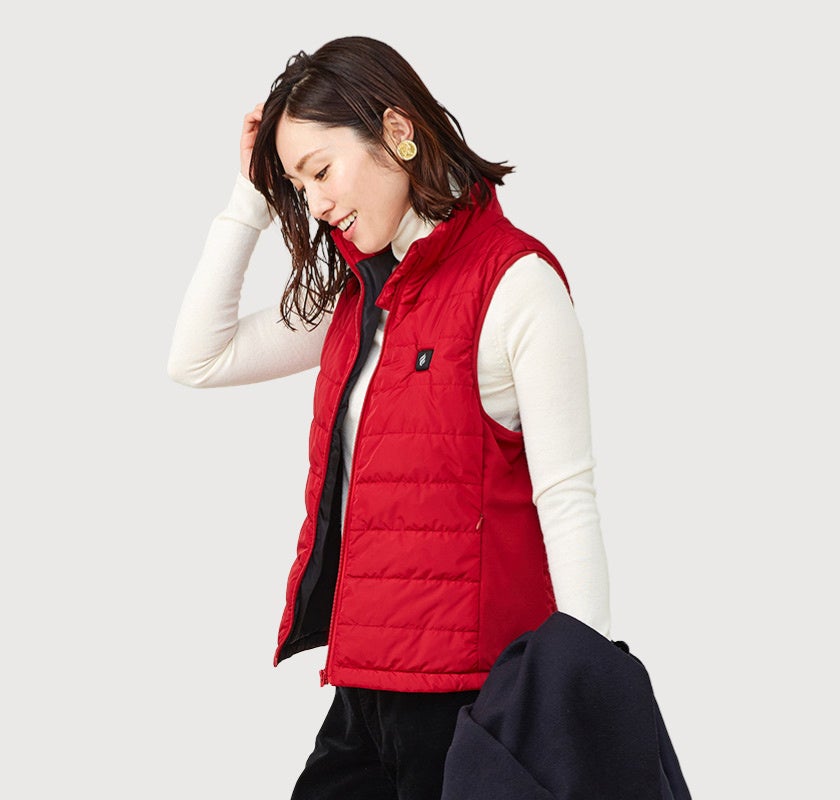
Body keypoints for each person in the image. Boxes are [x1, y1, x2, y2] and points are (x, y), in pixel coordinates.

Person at [168, 35, 612, 800]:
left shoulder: (516, 285)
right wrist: (249, 198)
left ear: (396, 132)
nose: (315, 204)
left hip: (471, 698)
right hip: (362, 691)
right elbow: (198, 358)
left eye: (321, 172)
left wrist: (588, 693)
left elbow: (567, 499)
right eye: (298, 186)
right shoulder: (359, 297)